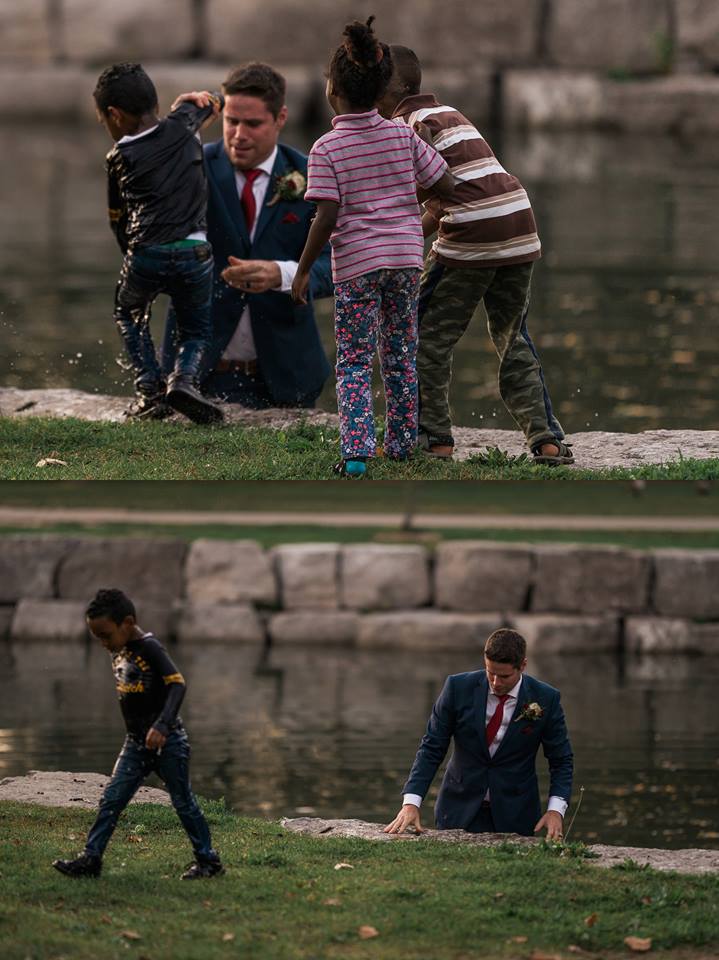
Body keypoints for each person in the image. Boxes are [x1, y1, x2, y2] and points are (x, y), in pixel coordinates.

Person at [376, 46, 573, 466]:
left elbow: (440, 192)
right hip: (519, 222)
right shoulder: (448, 114)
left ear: (381, 89)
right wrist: (410, 235)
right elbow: (444, 200)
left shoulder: (402, 129)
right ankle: (546, 439)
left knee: (421, 332)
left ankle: (434, 438)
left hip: (473, 230)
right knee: (512, 334)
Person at [291, 17, 455, 478]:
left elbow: (325, 218)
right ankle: (401, 445)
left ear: (332, 91)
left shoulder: (326, 149)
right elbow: (444, 180)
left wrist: (304, 269)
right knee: (401, 354)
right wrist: (414, 198)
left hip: (358, 266)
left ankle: (357, 453)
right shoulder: (403, 135)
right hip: (405, 259)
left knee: (355, 359)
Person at [162, 63, 333, 409]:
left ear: (281, 117)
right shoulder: (193, 166)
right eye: (231, 121)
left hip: (287, 376)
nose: (239, 134)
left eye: (252, 124)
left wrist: (284, 274)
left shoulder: (311, 175)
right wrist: (176, 132)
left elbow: (340, 264)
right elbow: (153, 216)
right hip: (196, 376)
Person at [52, 589, 224, 880]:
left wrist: (162, 725)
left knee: (183, 802)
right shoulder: (119, 648)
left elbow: (178, 684)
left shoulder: (150, 647)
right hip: (135, 744)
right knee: (112, 799)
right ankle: (91, 859)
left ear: (128, 623)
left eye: (106, 635)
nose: (103, 644)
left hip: (168, 743)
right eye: (98, 638)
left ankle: (209, 861)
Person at [94, 62, 224, 423]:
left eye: (102, 120)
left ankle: (150, 388)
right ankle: (183, 381)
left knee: (128, 312)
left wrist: (132, 255)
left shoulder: (118, 157)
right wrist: (193, 99)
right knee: (195, 328)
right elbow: (217, 100)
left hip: (146, 252)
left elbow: (117, 217)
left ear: (114, 115)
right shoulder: (184, 122)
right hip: (195, 252)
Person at [385, 628, 573, 838]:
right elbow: (431, 747)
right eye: (490, 672)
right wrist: (411, 802)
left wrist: (555, 810)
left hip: (517, 812)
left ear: (523, 666)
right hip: (457, 807)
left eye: (504, 676)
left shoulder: (546, 698)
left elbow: (561, 760)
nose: (495, 683)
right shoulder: (457, 688)